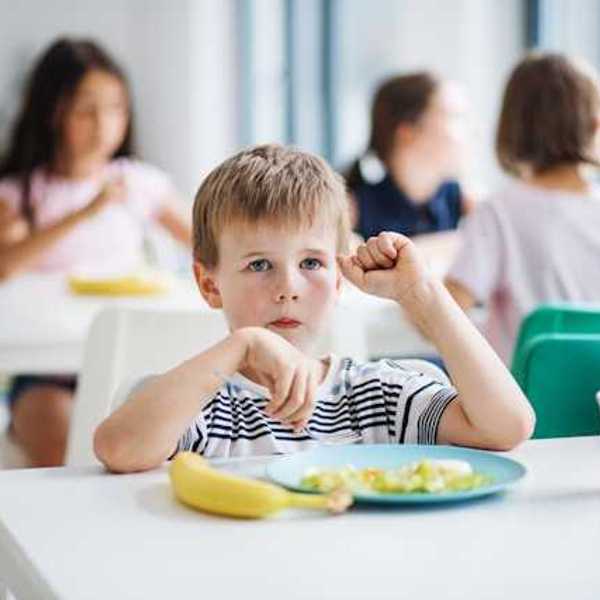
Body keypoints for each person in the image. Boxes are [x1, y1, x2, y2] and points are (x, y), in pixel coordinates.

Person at [93, 144, 533, 473]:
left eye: (311, 263)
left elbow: (508, 426)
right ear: (210, 285)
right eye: (259, 264)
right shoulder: (198, 405)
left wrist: (423, 296)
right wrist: (242, 346)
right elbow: (120, 448)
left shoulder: (377, 397)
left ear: (338, 278)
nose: (288, 288)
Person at [0, 38, 192, 466]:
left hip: (130, 360)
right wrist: (88, 210)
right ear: (53, 112)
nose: (103, 124)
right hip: (46, 370)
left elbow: (207, 243)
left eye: (116, 109)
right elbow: (6, 265)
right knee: (58, 438)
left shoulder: (139, 183)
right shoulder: (19, 194)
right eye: (86, 110)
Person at [445, 52, 600, 364]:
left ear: (510, 128)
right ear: (595, 125)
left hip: (526, 405)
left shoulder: (498, 212)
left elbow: (446, 310)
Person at [346, 72, 474, 263]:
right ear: (407, 132)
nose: (470, 133)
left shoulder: (466, 203)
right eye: (454, 117)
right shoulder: (352, 210)